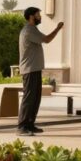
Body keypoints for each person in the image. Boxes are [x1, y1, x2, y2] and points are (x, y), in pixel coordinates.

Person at [18, 7, 64, 136]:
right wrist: (58, 28)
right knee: (29, 98)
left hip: (35, 69)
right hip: (30, 69)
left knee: (35, 98)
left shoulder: (33, 29)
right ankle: (22, 127)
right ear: (32, 16)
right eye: (38, 14)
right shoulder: (28, 30)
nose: (40, 17)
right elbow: (47, 39)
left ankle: (30, 125)